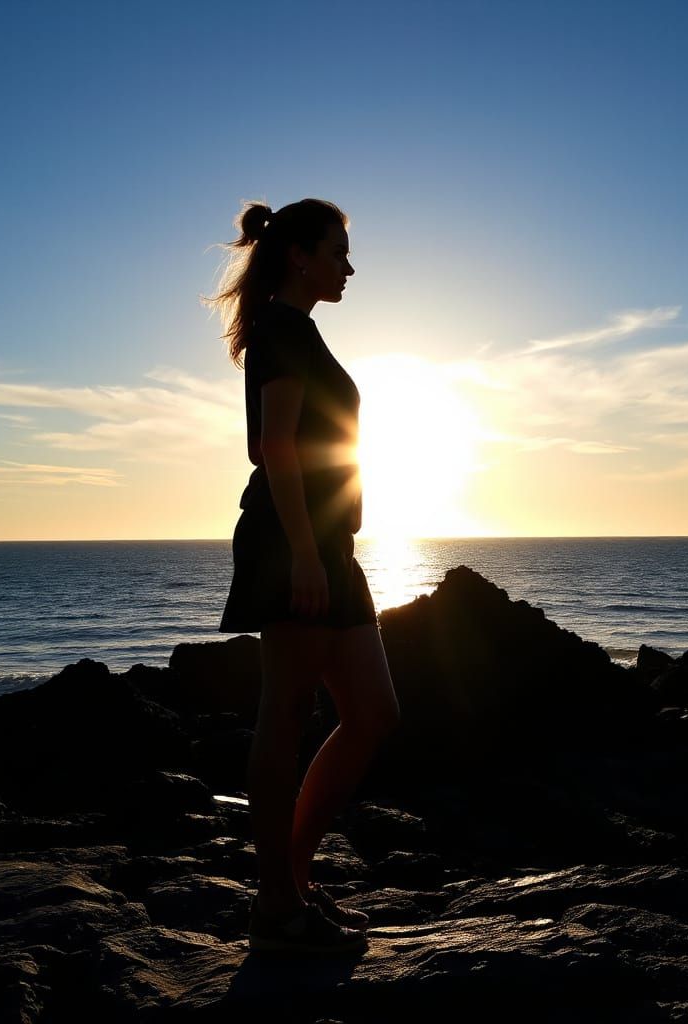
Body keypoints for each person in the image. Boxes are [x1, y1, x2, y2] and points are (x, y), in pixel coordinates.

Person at [201, 199, 401, 955]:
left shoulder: (302, 333)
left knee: (375, 713)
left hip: (327, 544)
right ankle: (279, 901)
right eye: (338, 251)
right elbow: (276, 449)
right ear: (299, 257)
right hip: (295, 544)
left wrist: (328, 548)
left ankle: (292, 877)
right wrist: (306, 554)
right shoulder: (282, 333)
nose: (348, 267)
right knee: (283, 713)